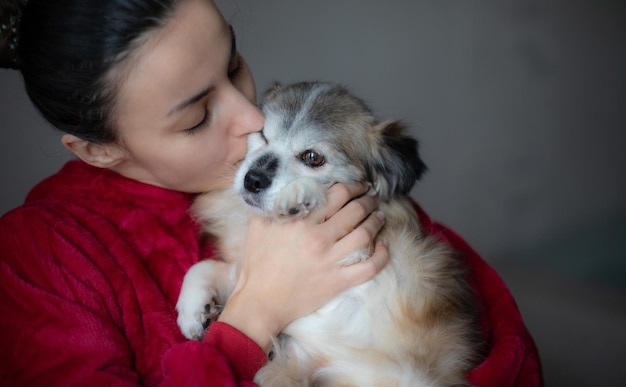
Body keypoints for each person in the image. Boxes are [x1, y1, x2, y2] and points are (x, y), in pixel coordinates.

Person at [0, 0, 542, 385]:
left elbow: (498, 352)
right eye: (196, 117)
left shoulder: (346, 191)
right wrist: (254, 315)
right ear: (98, 150)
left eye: (235, 66)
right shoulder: (41, 258)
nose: (251, 116)